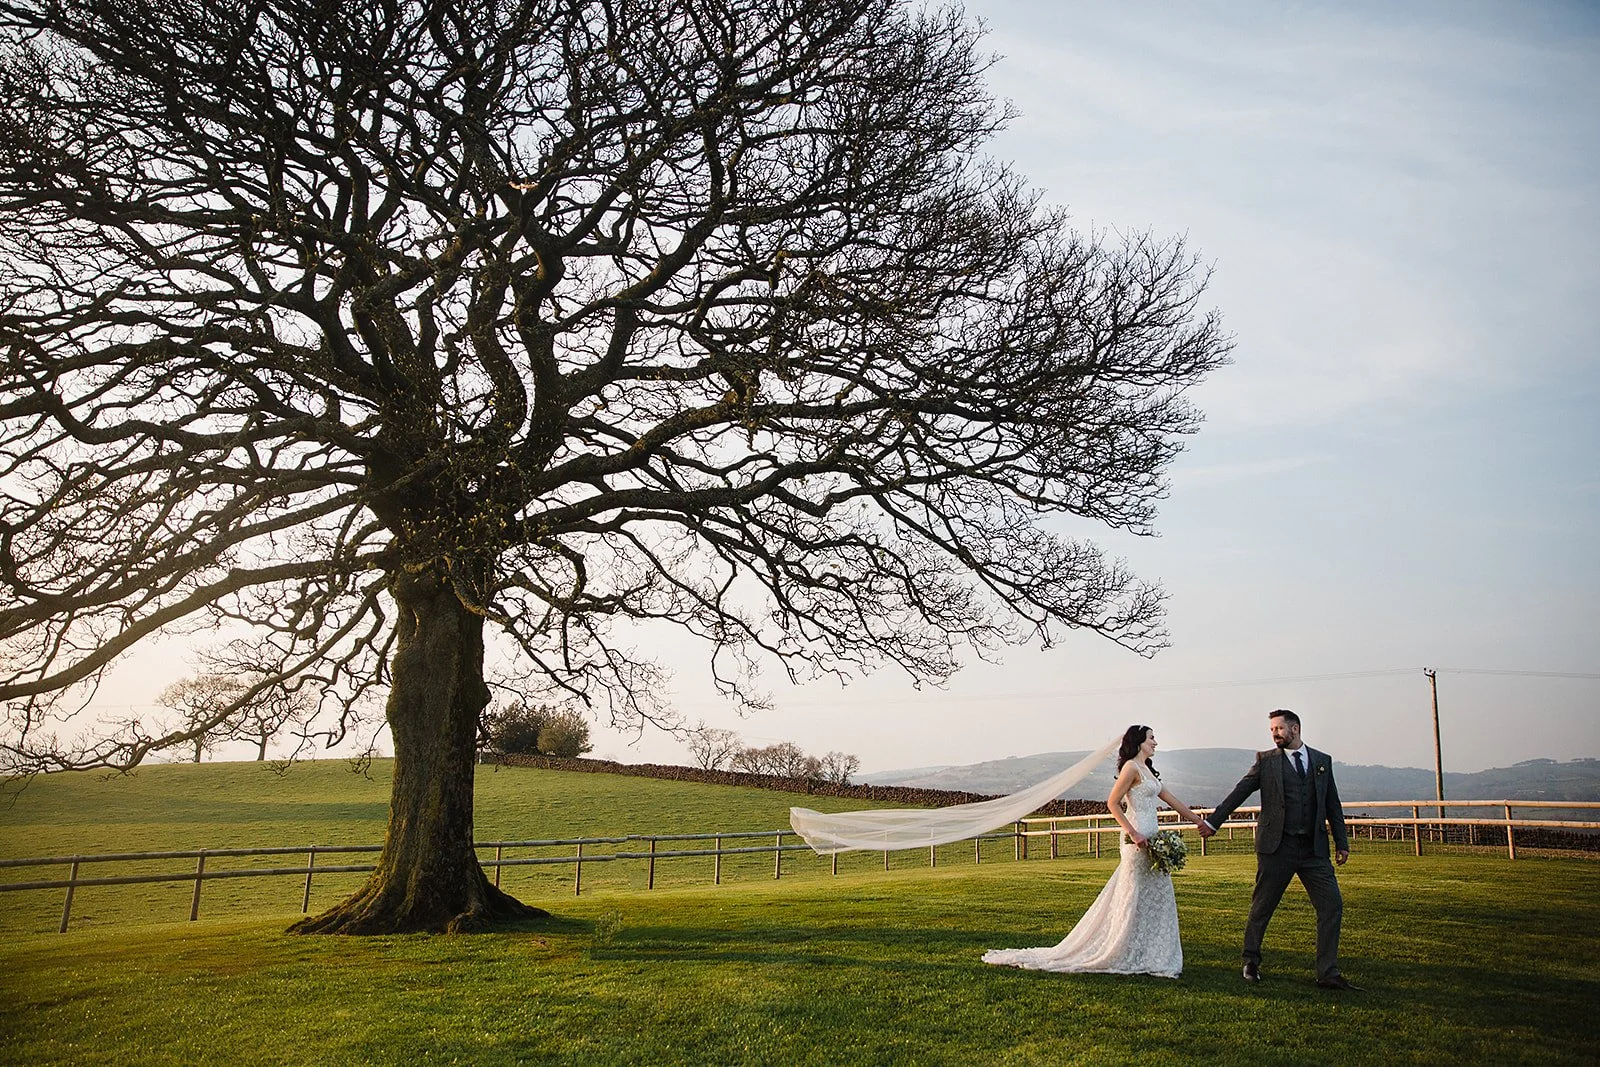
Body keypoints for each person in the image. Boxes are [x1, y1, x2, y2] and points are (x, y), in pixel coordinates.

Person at [983, 724, 1210, 978]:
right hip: (1136, 843)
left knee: (1157, 896)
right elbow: (1112, 803)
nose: (1155, 743)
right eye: (1151, 738)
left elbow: (1172, 799)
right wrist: (1132, 833)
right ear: (1139, 742)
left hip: (1154, 842)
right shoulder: (1131, 768)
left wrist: (1199, 821)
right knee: (1132, 896)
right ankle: (1119, 949)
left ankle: (1150, 951)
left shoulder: (1148, 771)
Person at [1199, 708, 1359, 990]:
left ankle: (1327, 973)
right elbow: (1240, 792)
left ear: (1295, 729)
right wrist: (1214, 822)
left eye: (1279, 729)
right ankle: (1251, 961)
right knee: (1262, 906)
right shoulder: (1266, 762)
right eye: (1272, 730)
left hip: (1314, 850)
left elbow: (1332, 803)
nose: (1274, 734)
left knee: (1332, 905)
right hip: (1277, 847)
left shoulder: (1322, 761)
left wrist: (1342, 843)